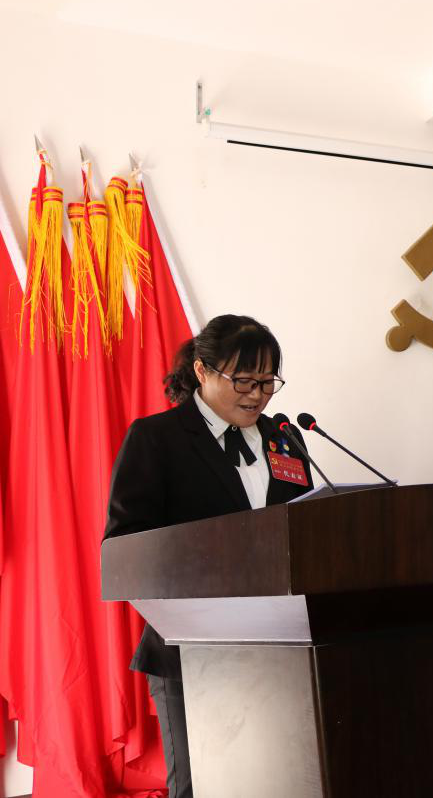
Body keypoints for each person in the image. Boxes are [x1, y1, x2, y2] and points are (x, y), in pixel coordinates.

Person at [104, 315, 313, 798]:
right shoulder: (157, 438)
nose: (257, 395)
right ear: (202, 370)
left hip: (284, 643)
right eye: (244, 380)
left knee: (282, 779)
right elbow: (124, 547)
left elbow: (302, 527)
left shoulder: (286, 439)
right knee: (199, 785)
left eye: (268, 382)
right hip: (191, 647)